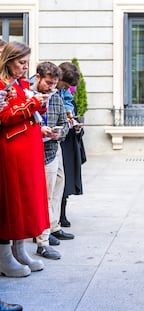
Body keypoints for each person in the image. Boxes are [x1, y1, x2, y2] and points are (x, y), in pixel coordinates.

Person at [0, 42, 50, 277]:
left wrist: (39, 104)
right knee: (14, 202)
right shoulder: (1, 83)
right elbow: (4, 116)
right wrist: (33, 103)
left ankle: (20, 251)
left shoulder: (19, 84)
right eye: (21, 63)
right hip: (13, 150)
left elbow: (28, 111)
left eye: (26, 63)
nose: (24, 67)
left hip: (28, 148)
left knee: (27, 201)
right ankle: (5, 256)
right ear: (9, 61)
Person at [32, 61, 72, 260]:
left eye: (55, 84)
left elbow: (63, 123)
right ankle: (42, 241)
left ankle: (51, 228)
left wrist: (59, 133)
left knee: (57, 189)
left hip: (53, 149)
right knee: (43, 197)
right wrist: (40, 131)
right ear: (37, 78)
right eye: (48, 83)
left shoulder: (56, 97)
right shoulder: (29, 96)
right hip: (36, 152)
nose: (51, 88)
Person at [57, 62, 84, 228]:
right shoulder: (46, 88)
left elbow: (70, 109)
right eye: (66, 85)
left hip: (67, 139)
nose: (67, 89)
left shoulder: (65, 93)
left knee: (64, 179)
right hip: (53, 141)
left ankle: (61, 215)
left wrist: (74, 122)